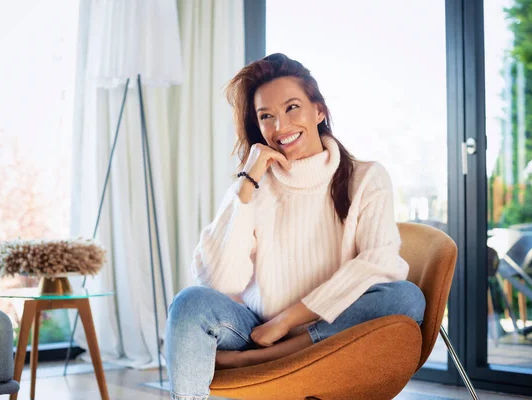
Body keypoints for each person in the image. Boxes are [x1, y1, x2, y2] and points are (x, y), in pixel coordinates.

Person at [164, 53, 426, 400]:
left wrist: (287, 322)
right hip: (255, 328)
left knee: (407, 298)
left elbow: (378, 263)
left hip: (326, 330)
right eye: (266, 117)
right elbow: (218, 282)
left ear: (319, 110)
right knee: (189, 304)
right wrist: (246, 181)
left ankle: (264, 360)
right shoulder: (255, 185)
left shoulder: (367, 178)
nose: (281, 126)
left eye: (292, 108)